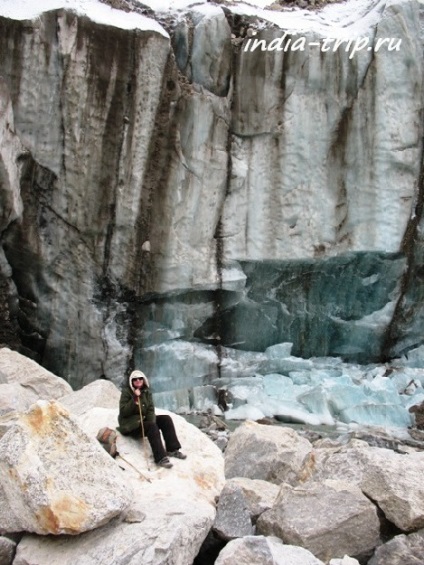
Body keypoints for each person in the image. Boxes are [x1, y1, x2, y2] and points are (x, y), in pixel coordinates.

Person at [117, 369, 187, 469]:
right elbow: (124, 411)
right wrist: (134, 399)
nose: (138, 380)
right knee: (151, 426)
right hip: (131, 425)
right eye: (135, 379)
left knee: (166, 419)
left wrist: (152, 421)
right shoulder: (126, 392)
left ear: (143, 380)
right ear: (131, 381)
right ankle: (160, 458)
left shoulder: (146, 392)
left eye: (140, 378)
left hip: (143, 421)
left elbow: (150, 410)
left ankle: (172, 449)